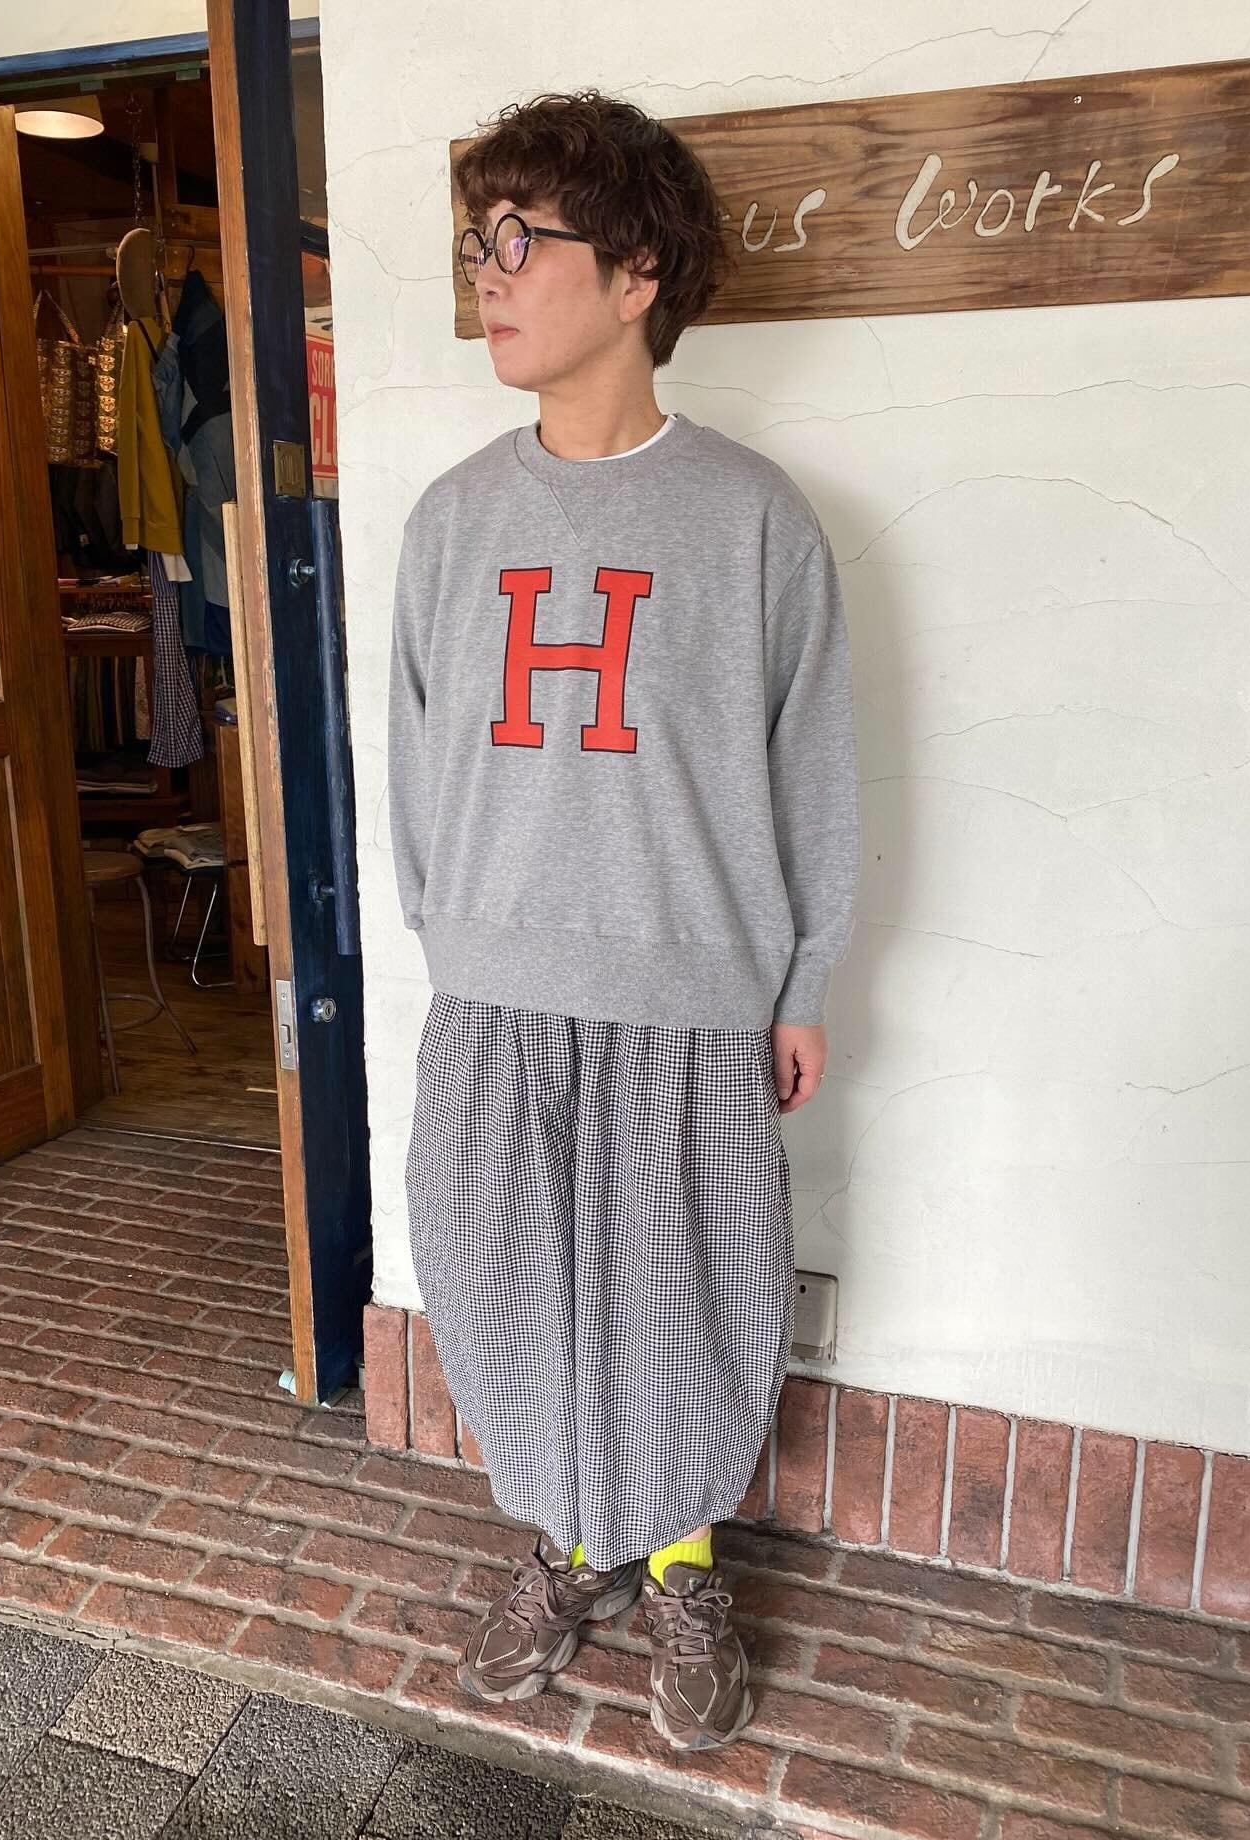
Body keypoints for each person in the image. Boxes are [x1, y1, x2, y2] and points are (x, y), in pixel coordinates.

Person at [387, 88, 860, 1753]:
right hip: (499, 995)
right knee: (507, 1282)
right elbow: (417, 761)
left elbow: (811, 765)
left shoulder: (752, 519)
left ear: (639, 272)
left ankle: (681, 1564)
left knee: (687, 1296)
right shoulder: (451, 519)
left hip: (690, 995)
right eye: (478, 240)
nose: (490, 272)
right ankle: (562, 1540)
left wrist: (802, 978)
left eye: (524, 239)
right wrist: (458, 945)